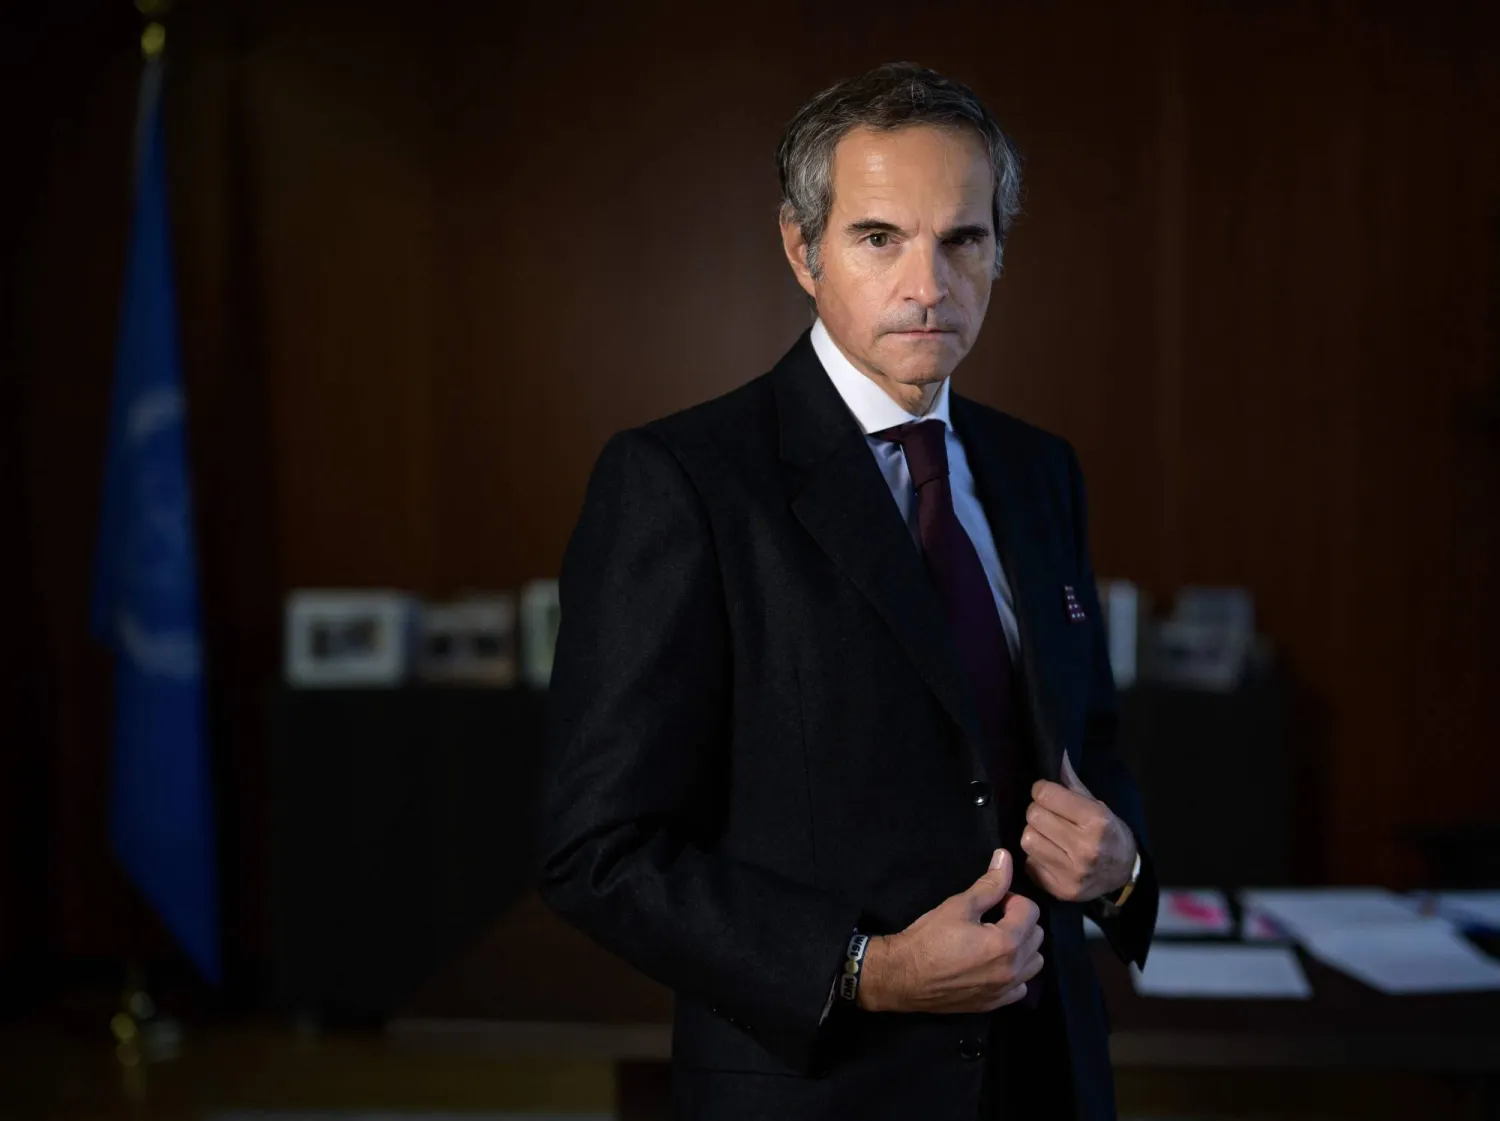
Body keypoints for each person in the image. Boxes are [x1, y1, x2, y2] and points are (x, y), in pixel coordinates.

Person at [537, 61, 1158, 1121]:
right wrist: (868, 967)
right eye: (880, 238)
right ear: (802, 249)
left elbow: (1086, 740)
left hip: (1047, 1074)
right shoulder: (682, 481)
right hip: (821, 1088)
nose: (929, 284)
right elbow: (598, 850)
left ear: (1000, 250)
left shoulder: (1037, 469)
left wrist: (1123, 864)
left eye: (963, 239)